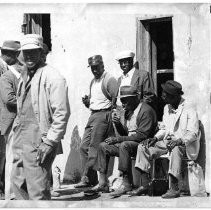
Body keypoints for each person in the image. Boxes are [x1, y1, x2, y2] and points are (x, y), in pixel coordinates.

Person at [11, 34, 70, 200]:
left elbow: (62, 113)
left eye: (33, 51)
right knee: (18, 185)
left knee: (37, 191)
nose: (29, 56)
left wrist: (50, 142)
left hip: (39, 140)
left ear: (41, 52)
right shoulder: (24, 76)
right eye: (26, 52)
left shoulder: (53, 77)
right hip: (21, 139)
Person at [130, 80, 200, 199]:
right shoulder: (166, 107)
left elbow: (193, 132)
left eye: (165, 94)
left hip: (184, 144)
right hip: (167, 143)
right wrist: (155, 138)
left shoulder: (189, 107)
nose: (162, 95)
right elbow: (164, 129)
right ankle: (145, 185)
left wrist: (179, 141)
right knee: (143, 146)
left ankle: (174, 187)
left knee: (176, 148)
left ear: (174, 97)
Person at [86, 85, 157, 198]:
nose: (123, 104)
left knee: (124, 145)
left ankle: (126, 183)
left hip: (143, 145)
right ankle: (102, 182)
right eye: (121, 101)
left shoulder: (146, 110)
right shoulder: (130, 110)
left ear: (134, 98)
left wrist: (118, 139)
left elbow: (142, 136)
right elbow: (126, 134)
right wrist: (118, 124)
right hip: (130, 144)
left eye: (125, 101)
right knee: (103, 146)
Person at [75, 55, 118, 188]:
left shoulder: (109, 79)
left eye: (96, 67)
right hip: (93, 114)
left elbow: (116, 99)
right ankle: (89, 178)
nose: (94, 70)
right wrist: (88, 103)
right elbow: (94, 101)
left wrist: (112, 117)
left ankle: (90, 179)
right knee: (83, 147)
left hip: (103, 115)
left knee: (94, 147)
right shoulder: (93, 81)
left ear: (102, 65)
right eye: (92, 68)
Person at [0, 40, 22, 200]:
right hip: (8, 119)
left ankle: (11, 193)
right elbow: (8, 99)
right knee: (9, 158)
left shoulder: (10, 70)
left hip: (12, 119)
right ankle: (10, 194)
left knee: (10, 157)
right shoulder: (5, 71)